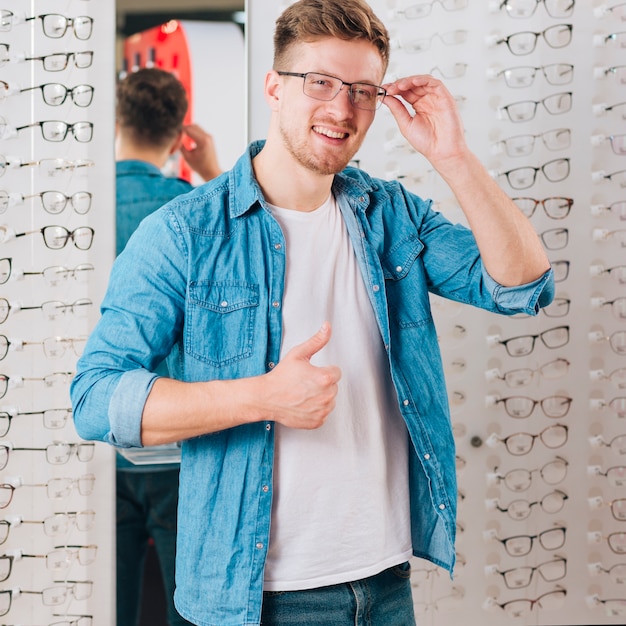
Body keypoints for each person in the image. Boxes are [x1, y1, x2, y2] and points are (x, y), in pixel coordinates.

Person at [71, 1, 554, 625]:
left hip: (385, 587)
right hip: (257, 602)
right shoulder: (185, 232)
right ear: (273, 86)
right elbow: (96, 397)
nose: (342, 109)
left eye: (362, 90)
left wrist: (453, 155)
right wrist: (263, 398)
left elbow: (521, 286)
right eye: (320, 83)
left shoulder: (390, 215)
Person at [113, 67, 221, 626]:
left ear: (115, 119)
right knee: (190, 608)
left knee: (100, 604)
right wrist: (212, 174)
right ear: (182, 133)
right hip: (173, 440)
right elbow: (249, 259)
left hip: (95, 439)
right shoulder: (190, 207)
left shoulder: (76, 210)